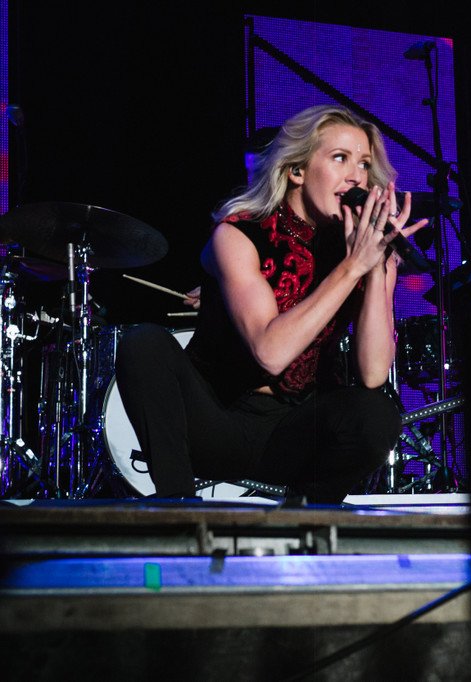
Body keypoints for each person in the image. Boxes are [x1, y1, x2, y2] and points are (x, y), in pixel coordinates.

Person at [114, 104, 426, 502]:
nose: (356, 176)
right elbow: (270, 353)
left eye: (364, 164)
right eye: (340, 158)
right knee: (144, 343)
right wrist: (351, 268)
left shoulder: (362, 252)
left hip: (293, 431)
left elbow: (373, 373)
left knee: (377, 415)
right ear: (296, 171)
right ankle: (177, 507)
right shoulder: (239, 234)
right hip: (216, 421)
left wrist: (377, 267)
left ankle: (305, 513)